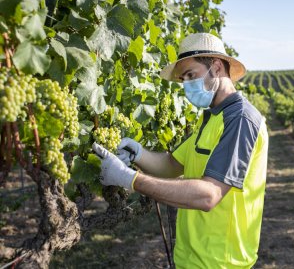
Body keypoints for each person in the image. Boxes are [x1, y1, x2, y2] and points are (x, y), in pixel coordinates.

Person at [92, 33, 269, 268]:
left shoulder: (241, 120)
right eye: (184, 78)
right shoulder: (212, 118)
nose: (186, 85)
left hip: (220, 263)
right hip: (191, 259)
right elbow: (172, 164)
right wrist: (138, 154)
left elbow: (209, 194)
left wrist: (129, 179)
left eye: (191, 75)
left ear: (216, 68)